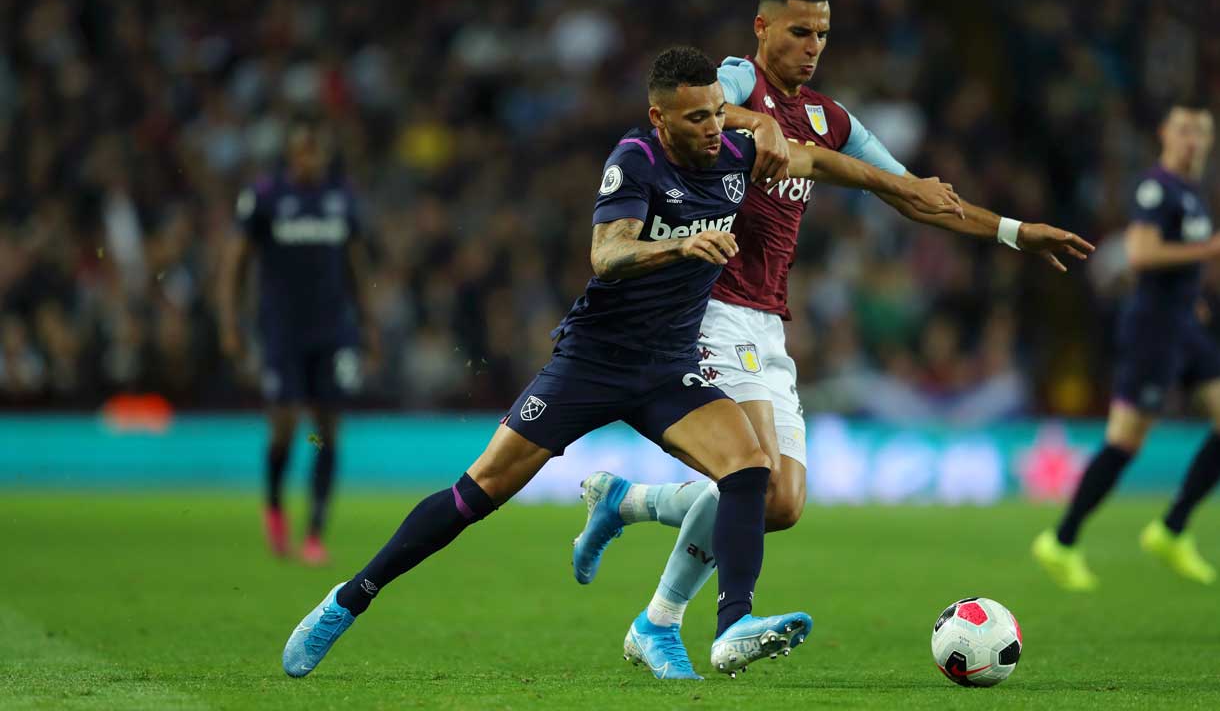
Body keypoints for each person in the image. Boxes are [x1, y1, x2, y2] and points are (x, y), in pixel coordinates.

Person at [280, 46, 966, 680]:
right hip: (592, 363)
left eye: (715, 114)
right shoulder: (635, 159)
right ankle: (348, 600)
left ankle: (730, 623)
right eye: (695, 117)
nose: (709, 128)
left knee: (750, 466)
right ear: (658, 117)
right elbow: (607, 254)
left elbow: (824, 164)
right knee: (477, 492)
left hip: (668, 370)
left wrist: (902, 186)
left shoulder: (736, 152)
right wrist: (681, 246)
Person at [571, 0, 1095, 679]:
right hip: (711, 307)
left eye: (822, 32)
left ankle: (628, 503)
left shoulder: (827, 118)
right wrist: (754, 118)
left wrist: (1015, 232)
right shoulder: (734, 79)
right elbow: (694, 110)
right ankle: (678, 622)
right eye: (798, 31)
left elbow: (914, 193)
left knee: (780, 503)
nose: (813, 44)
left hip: (768, 320)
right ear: (763, 29)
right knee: (749, 476)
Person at [1034, 100, 1218, 590]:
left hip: (1184, 326)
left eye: (1201, 131)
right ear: (1165, 134)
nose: (1193, 140)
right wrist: (1210, 250)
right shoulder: (1157, 187)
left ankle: (1172, 528)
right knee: (1124, 442)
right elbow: (1140, 253)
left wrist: (1194, 296)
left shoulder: (1193, 194)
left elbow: (1178, 263)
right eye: (1184, 130)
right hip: (1154, 331)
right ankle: (1062, 539)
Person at [219, 116, 379, 565]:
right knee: (286, 425)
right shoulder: (267, 197)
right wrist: (229, 322)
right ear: (291, 154)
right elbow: (235, 263)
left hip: (332, 331)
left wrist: (369, 324)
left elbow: (355, 265)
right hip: (282, 331)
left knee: (326, 430)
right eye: (303, 150)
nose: (310, 158)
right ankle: (273, 503)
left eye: (317, 150)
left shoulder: (340, 199)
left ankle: (314, 531)